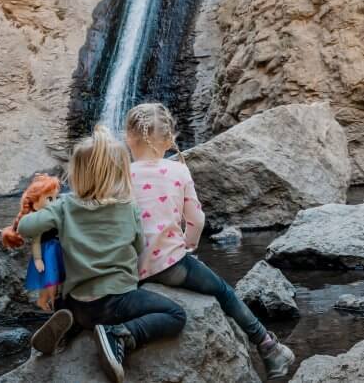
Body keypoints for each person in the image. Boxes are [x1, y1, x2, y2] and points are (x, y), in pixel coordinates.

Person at [125, 103, 295, 380]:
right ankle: (269, 347)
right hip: (173, 265)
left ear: (128, 138)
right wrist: (188, 245)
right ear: (169, 140)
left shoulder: (122, 174)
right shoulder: (178, 171)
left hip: (132, 271)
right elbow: (197, 220)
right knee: (224, 292)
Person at [20, 126, 186, 383]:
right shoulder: (128, 207)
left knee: (74, 301)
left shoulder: (64, 205)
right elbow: (138, 246)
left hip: (77, 300)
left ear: (77, 174)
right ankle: (120, 335)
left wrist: (54, 221)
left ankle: (69, 323)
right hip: (116, 304)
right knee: (176, 315)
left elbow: (25, 228)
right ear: (121, 173)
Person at [1, 173, 64, 311]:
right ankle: (53, 304)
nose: (54, 202)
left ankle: (48, 302)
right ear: (35, 204)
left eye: (56, 198)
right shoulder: (38, 221)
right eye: (49, 199)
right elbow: (36, 242)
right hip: (48, 252)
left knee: (54, 280)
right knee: (51, 281)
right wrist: (38, 259)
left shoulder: (51, 216)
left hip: (57, 250)